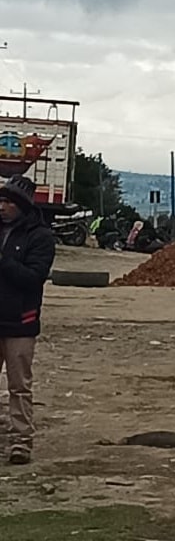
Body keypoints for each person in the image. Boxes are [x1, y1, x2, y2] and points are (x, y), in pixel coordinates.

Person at [0, 175, 56, 464]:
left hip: (20, 321)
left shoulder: (41, 237)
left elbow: (34, 278)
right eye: (1, 200)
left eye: (8, 201)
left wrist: (4, 261)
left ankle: (21, 441)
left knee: (19, 385)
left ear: (21, 205)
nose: (2, 206)